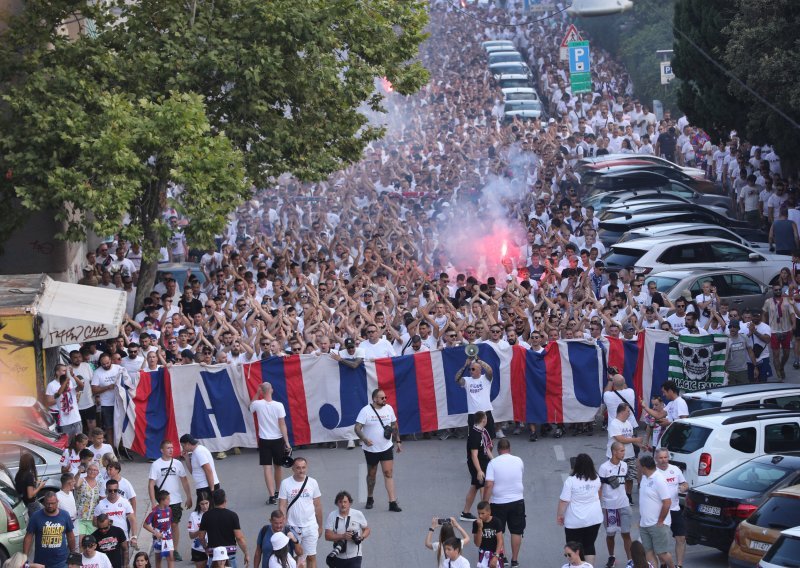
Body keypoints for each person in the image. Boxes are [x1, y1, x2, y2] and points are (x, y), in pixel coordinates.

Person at [353, 389, 402, 512]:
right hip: (371, 449)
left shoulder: (389, 409)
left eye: (385, 397)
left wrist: (398, 441)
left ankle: (392, 502)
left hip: (386, 447)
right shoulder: (365, 411)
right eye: (382, 398)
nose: (385, 399)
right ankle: (370, 497)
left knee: (388, 473)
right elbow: (357, 428)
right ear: (375, 399)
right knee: (372, 474)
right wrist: (364, 439)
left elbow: (394, 425)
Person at [148, 439, 192, 561]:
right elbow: (151, 484)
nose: (171, 450)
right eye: (168, 448)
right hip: (161, 502)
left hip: (175, 500)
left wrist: (189, 496)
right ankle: (162, 547)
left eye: (172, 447)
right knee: (161, 526)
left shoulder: (177, 463)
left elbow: (184, 480)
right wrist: (153, 502)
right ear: (162, 450)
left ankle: (174, 549)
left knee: (174, 524)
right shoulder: (156, 464)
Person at [484, 439, 525, 568]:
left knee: (499, 531)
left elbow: (489, 484)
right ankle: (514, 560)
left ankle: (502, 557)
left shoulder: (493, 463)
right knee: (516, 531)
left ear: (498, 450)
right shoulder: (518, 460)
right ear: (509, 448)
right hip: (517, 500)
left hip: (498, 502)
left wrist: (485, 502)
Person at [557, 453, 603, 567]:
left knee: (574, 547)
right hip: (594, 518)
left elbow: (564, 501)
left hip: (575, 521)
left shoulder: (571, 480)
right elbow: (599, 494)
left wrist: (560, 515)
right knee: (589, 544)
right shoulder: (596, 478)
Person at [250, 383, 291, 505]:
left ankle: (272, 495)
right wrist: (287, 442)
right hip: (278, 439)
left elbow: (249, 406)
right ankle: (278, 492)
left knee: (267, 468)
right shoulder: (279, 405)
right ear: (271, 390)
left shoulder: (257, 404)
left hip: (264, 440)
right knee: (278, 466)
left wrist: (257, 393)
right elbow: (282, 424)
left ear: (262, 391)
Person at [278, 458, 323, 568]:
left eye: (303, 467)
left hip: (310, 526)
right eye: (298, 468)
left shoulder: (312, 482)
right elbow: (282, 506)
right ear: (292, 468)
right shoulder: (285, 483)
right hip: (293, 527)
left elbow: (317, 506)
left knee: (311, 557)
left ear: (306, 468)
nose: (301, 470)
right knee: (296, 558)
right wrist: (283, 524)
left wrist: (320, 526)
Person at [599, 442, 632, 568]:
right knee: (610, 534)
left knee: (626, 533)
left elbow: (627, 482)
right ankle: (611, 557)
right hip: (609, 506)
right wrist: (599, 503)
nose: (624, 453)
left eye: (624, 450)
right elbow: (600, 487)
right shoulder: (604, 468)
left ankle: (630, 560)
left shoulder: (624, 465)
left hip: (624, 504)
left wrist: (628, 496)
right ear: (614, 452)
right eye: (622, 451)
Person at [638, 456, 674, 568]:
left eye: (638, 466)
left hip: (657, 524)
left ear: (644, 467)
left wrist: (660, 520)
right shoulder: (644, 478)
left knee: (662, 553)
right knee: (647, 551)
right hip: (644, 523)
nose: (636, 467)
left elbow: (667, 502)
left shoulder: (659, 479)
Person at [197, 489, 249, 568]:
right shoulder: (232, 516)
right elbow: (239, 537)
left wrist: (206, 548)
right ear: (225, 500)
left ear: (213, 501)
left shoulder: (206, 516)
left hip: (214, 555)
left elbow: (201, 537)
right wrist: (246, 553)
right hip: (229, 555)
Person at [23, 491, 76, 568]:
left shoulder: (65, 515)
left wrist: (73, 553)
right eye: (48, 503)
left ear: (57, 502)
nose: (50, 506)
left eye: (53, 503)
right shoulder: (36, 516)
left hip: (61, 562)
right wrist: (24, 557)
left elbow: (70, 536)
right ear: (44, 502)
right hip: (41, 563)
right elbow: (28, 537)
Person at [655, 449, 688, 568]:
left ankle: (679, 565)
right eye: (661, 458)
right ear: (656, 459)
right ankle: (663, 563)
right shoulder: (653, 472)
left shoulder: (675, 469)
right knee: (660, 540)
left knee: (681, 538)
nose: (663, 460)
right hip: (660, 511)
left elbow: (685, 483)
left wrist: (683, 487)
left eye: (665, 457)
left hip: (675, 509)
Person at [461, 410, 493, 522]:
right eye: (486, 418)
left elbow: (486, 448)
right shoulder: (475, 435)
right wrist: (479, 470)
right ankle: (485, 514)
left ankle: (465, 512)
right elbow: (474, 455)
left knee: (474, 487)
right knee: (482, 486)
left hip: (483, 461)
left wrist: (493, 461)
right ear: (483, 420)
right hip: (476, 464)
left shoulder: (482, 431)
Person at [606, 405, 642, 505]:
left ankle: (628, 496)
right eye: (628, 411)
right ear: (621, 412)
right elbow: (620, 439)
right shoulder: (614, 424)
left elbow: (630, 438)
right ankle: (616, 497)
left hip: (629, 455)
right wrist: (635, 440)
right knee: (616, 478)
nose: (629, 413)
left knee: (630, 477)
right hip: (616, 457)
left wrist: (641, 445)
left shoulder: (628, 423)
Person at [323, 490, 370, 568]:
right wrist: (343, 536)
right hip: (339, 556)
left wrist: (361, 537)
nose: (343, 504)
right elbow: (327, 536)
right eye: (340, 502)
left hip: (355, 556)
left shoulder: (358, 514)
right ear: (337, 503)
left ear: (350, 503)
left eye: (345, 502)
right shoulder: (332, 516)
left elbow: (367, 529)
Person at [455, 358, 496, 437]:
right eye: (470, 369)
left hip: (485, 412)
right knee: (474, 439)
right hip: (473, 414)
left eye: (473, 369)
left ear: (479, 370)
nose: (471, 371)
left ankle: (488, 450)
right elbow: (457, 378)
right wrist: (465, 366)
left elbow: (490, 371)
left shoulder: (486, 379)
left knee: (489, 437)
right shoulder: (467, 380)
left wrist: (479, 361)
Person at [763, 284, 796, 380]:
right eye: (776, 290)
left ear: (781, 290)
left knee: (786, 354)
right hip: (773, 331)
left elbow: (792, 313)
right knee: (776, 354)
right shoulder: (768, 302)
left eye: (779, 289)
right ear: (773, 291)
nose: (778, 291)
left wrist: (794, 324)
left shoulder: (787, 301)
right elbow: (764, 313)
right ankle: (778, 373)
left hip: (786, 330)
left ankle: (781, 367)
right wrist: (764, 326)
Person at [91, 353, 123, 449]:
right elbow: (94, 389)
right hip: (106, 404)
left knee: (120, 427)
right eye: (103, 364)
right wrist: (108, 387)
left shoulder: (118, 368)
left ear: (111, 360)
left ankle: (121, 448)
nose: (106, 365)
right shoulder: (97, 372)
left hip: (119, 402)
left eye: (107, 363)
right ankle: (111, 450)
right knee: (109, 428)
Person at [93, 479, 136, 547]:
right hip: (107, 539)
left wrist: (134, 536)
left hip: (123, 537)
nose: (113, 492)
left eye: (115, 490)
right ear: (106, 490)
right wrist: (104, 525)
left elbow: (132, 520)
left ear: (118, 490)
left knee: (125, 555)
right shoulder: (101, 505)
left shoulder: (125, 502)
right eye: (110, 490)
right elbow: (94, 522)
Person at [45, 363, 84, 436]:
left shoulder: (70, 387)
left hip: (75, 419)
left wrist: (73, 375)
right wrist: (60, 399)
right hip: (59, 416)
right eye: (63, 371)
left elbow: (81, 386)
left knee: (79, 440)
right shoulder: (51, 385)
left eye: (66, 371)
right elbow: (50, 401)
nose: (66, 372)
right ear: (57, 372)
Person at [180, 434, 221, 502]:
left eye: (183, 446)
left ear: (187, 444)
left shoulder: (199, 452)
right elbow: (193, 472)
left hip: (206, 487)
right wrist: (186, 458)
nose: (183, 448)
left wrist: (212, 490)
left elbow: (208, 470)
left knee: (206, 511)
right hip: (203, 487)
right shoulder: (195, 452)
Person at [143, 490, 175, 568]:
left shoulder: (169, 510)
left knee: (170, 557)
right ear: (162, 501)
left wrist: (171, 535)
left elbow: (170, 523)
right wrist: (155, 533)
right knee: (158, 558)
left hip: (168, 537)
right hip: (158, 537)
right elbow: (145, 524)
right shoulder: (154, 511)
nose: (169, 500)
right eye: (168, 499)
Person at [74, 462, 102, 538]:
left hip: (92, 518)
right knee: (80, 541)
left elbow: (100, 501)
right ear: (87, 470)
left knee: (91, 542)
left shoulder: (99, 484)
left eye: (95, 470)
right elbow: (76, 485)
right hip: (80, 517)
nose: (92, 472)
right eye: (90, 469)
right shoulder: (82, 480)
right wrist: (78, 473)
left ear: (98, 472)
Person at [725, 320, 758, 385]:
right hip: (730, 371)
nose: (732, 328)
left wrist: (755, 367)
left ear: (738, 328)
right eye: (730, 327)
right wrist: (725, 371)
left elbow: (751, 353)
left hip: (743, 371)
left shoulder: (744, 337)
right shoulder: (725, 339)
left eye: (734, 327)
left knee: (744, 390)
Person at [473, 501, 504, 568]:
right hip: (483, 552)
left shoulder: (496, 521)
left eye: (482, 513)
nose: (480, 516)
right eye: (479, 513)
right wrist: (480, 528)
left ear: (489, 512)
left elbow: (500, 540)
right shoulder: (476, 523)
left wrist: (496, 556)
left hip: (496, 552)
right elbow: (477, 544)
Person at [15, 452, 45, 516]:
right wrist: (40, 487)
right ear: (31, 463)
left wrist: (34, 483)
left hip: (23, 503)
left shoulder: (19, 474)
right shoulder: (29, 475)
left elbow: (23, 486)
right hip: (31, 504)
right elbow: (30, 495)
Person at [188, 491, 211, 568]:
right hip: (198, 549)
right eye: (202, 504)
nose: (205, 506)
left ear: (209, 502)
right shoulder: (193, 515)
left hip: (213, 548)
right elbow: (191, 536)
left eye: (206, 503)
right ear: (198, 503)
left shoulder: (214, 513)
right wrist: (202, 529)